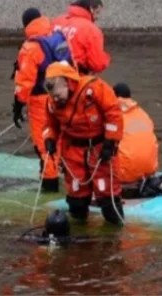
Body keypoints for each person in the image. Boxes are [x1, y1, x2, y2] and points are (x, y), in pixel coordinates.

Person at [41, 62, 124, 225]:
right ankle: (79, 228)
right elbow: (50, 125)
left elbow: (113, 113)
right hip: (73, 151)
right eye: (53, 96)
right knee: (76, 199)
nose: (56, 99)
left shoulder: (94, 89)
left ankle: (115, 229)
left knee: (108, 196)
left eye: (58, 95)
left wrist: (110, 142)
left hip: (99, 148)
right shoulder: (52, 102)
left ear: (67, 83)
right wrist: (49, 139)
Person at [12, 8, 72, 193]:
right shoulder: (58, 37)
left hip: (41, 101)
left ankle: (49, 184)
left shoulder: (31, 47)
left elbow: (25, 81)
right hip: (64, 95)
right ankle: (70, 179)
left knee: (44, 143)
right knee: (62, 138)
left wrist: (18, 105)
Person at [52, 0, 110, 75]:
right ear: (91, 9)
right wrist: (106, 59)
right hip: (75, 76)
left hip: (51, 72)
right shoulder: (92, 30)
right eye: (97, 12)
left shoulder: (57, 21)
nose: (97, 17)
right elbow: (97, 64)